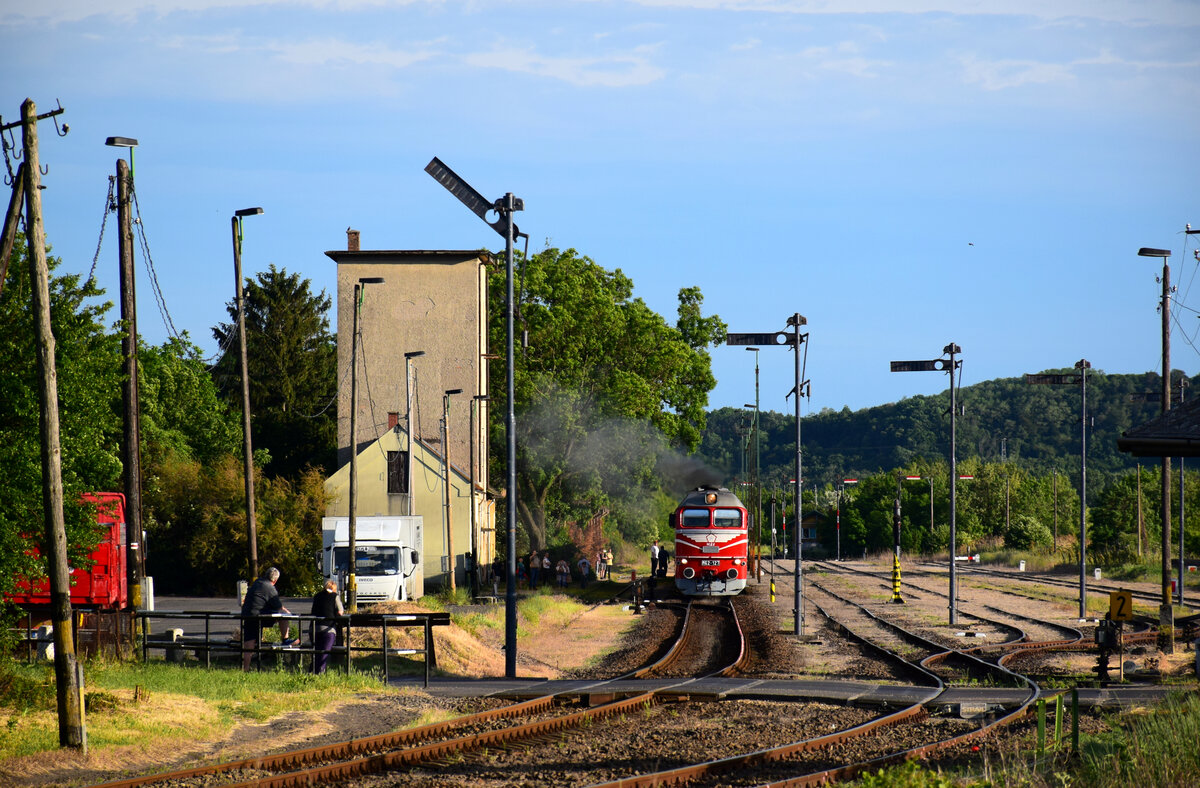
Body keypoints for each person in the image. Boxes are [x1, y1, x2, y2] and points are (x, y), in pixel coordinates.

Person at [242, 567, 293, 670]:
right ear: (275, 580)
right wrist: (289, 613)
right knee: (283, 617)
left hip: (247, 615)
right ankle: (285, 639)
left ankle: (245, 668)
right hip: (259, 616)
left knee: (249, 645)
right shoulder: (269, 587)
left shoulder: (257, 582)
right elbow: (279, 607)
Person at [310, 579, 344, 675]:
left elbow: (313, 611)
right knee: (324, 655)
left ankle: (311, 673)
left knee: (316, 654)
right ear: (334, 589)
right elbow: (340, 611)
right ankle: (320, 674)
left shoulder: (317, 596)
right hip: (328, 628)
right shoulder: (335, 596)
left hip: (314, 628)